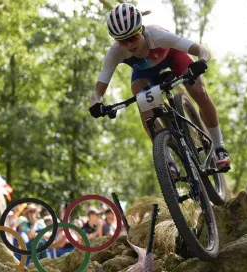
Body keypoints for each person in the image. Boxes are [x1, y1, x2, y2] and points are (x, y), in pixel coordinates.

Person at [88, 3, 231, 170]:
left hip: (174, 58)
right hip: (145, 73)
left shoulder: (157, 35)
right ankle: (167, 160)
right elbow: (98, 91)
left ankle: (219, 147)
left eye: (132, 38)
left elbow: (201, 50)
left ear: (141, 29)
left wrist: (201, 62)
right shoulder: (115, 53)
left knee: (199, 91)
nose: (129, 45)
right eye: (122, 41)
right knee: (143, 103)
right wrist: (95, 104)